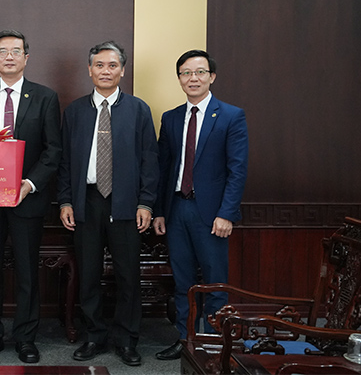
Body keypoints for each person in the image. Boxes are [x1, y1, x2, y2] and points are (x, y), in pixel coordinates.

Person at [57, 41, 158, 366]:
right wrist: (65, 200)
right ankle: (94, 336)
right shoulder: (75, 111)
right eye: (99, 65)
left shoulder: (138, 110)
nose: (105, 71)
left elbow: (150, 160)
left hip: (126, 203)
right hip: (86, 202)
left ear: (122, 70)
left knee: (128, 275)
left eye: (112, 65)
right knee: (88, 274)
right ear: (90, 70)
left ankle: (127, 340)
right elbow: (65, 162)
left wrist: (146, 203)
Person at [0, 29, 62, 364]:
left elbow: (53, 150)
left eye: (16, 51)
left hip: (27, 199)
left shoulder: (45, 97)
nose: (9, 56)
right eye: (2, 51)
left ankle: (25, 338)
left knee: (27, 271)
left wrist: (29, 184)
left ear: (26, 58)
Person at [153, 49, 248, 360]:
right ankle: (186, 341)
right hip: (177, 209)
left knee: (215, 284)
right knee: (183, 283)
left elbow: (237, 170)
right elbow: (163, 168)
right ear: (179, 78)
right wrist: (159, 211)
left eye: (200, 72)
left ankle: (213, 344)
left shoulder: (231, 116)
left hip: (212, 214)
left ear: (212, 76)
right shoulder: (170, 118)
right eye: (186, 73)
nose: (192, 78)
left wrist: (227, 213)